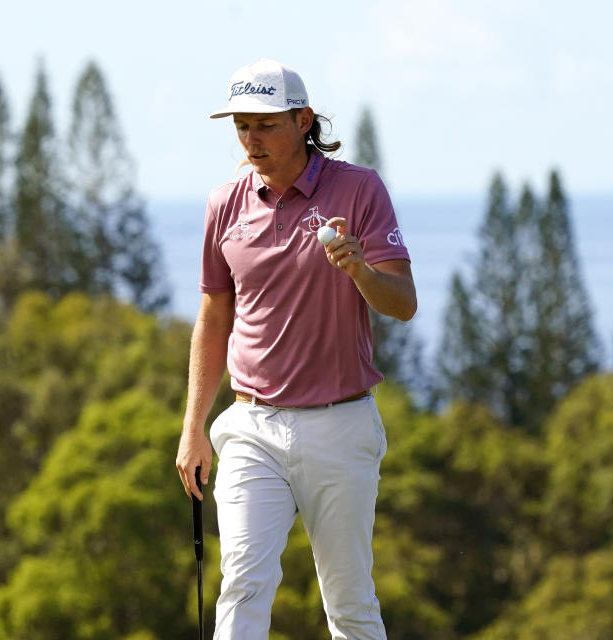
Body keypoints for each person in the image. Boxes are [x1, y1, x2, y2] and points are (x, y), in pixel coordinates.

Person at [175, 58, 417, 640]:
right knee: (242, 586)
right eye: (241, 126)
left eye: (265, 125)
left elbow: (402, 301)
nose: (250, 140)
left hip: (341, 422)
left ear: (303, 120)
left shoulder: (359, 189)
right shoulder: (224, 205)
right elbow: (214, 316)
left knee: (350, 603)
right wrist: (193, 426)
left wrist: (359, 268)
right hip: (251, 425)